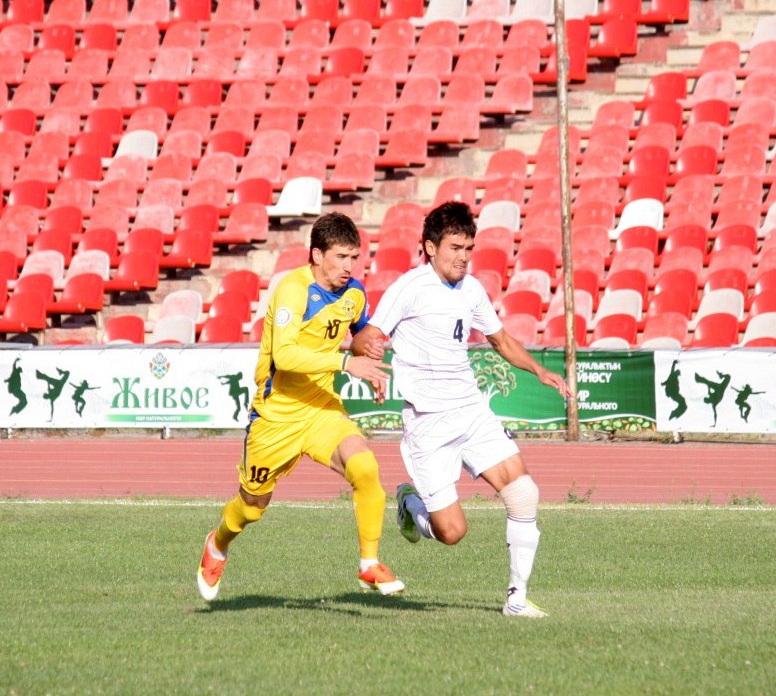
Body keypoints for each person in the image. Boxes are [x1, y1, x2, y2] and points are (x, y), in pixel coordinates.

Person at [356, 201, 570, 618]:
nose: (463, 257)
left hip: (471, 410)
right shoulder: (409, 287)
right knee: (452, 532)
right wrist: (370, 356)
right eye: (455, 248)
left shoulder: (471, 289)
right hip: (429, 424)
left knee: (523, 493)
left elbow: (500, 339)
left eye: (469, 248)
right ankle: (410, 505)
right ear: (430, 247)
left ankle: (516, 600)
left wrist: (538, 370)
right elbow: (368, 336)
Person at [197, 212, 404, 601]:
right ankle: (218, 543)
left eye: (353, 257)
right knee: (252, 507)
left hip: (321, 407)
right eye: (340, 257)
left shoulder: (355, 293)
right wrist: (347, 363)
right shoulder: (293, 290)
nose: (349, 266)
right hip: (276, 415)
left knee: (364, 466)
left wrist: (369, 355)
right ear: (317, 255)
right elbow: (286, 355)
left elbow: (360, 333)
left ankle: (369, 564)